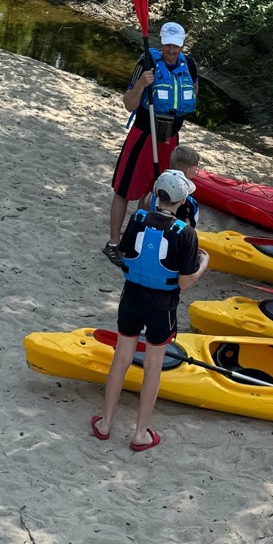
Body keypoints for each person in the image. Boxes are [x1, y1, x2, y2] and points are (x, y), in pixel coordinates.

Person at [91, 171, 208, 451]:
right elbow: (185, 282)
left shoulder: (138, 219)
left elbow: (127, 256)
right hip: (162, 307)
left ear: (156, 194)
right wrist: (204, 263)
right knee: (153, 366)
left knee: (122, 357)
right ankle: (140, 432)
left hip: (131, 298)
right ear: (182, 201)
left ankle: (105, 423)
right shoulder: (186, 233)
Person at [105, 21, 197, 264]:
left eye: (176, 46)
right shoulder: (146, 63)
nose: (171, 51)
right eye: (167, 45)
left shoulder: (189, 66)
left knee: (155, 193)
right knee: (124, 190)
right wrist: (142, 85)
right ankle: (113, 243)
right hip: (144, 136)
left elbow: (193, 95)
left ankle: (132, 240)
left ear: (182, 45)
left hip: (170, 139)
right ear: (161, 42)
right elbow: (128, 103)